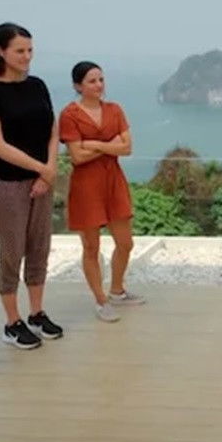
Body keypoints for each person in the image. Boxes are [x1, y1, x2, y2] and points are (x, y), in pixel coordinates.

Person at [0, 23, 62, 349]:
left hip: (41, 180)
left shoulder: (37, 85)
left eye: (30, 50)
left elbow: (53, 129)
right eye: (19, 51)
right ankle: (12, 322)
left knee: (39, 247)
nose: (26, 56)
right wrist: (42, 169)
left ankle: (37, 313)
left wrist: (48, 172)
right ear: (0, 51)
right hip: (6, 181)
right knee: (12, 250)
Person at [59, 61, 143, 323]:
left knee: (126, 243)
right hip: (86, 185)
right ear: (78, 86)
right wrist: (110, 144)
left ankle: (117, 290)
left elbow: (127, 148)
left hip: (113, 181)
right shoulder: (70, 115)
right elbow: (77, 156)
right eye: (92, 81)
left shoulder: (114, 110)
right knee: (91, 247)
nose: (99, 85)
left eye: (101, 80)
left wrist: (94, 143)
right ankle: (100, 299)